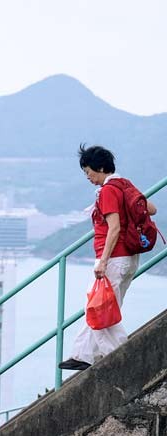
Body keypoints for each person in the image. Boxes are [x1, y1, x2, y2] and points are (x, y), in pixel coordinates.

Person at [59, 144, 157, 371]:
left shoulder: (108, 191)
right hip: (129, 258)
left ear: (101, 168)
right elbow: (151, 209)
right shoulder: (124, 184)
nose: (87, 176)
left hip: (113, 258)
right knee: (99, 307)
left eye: (88, 171)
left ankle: (124, 359)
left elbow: (114, 228)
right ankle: (82, 355)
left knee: (100, 310)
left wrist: (102, 261)